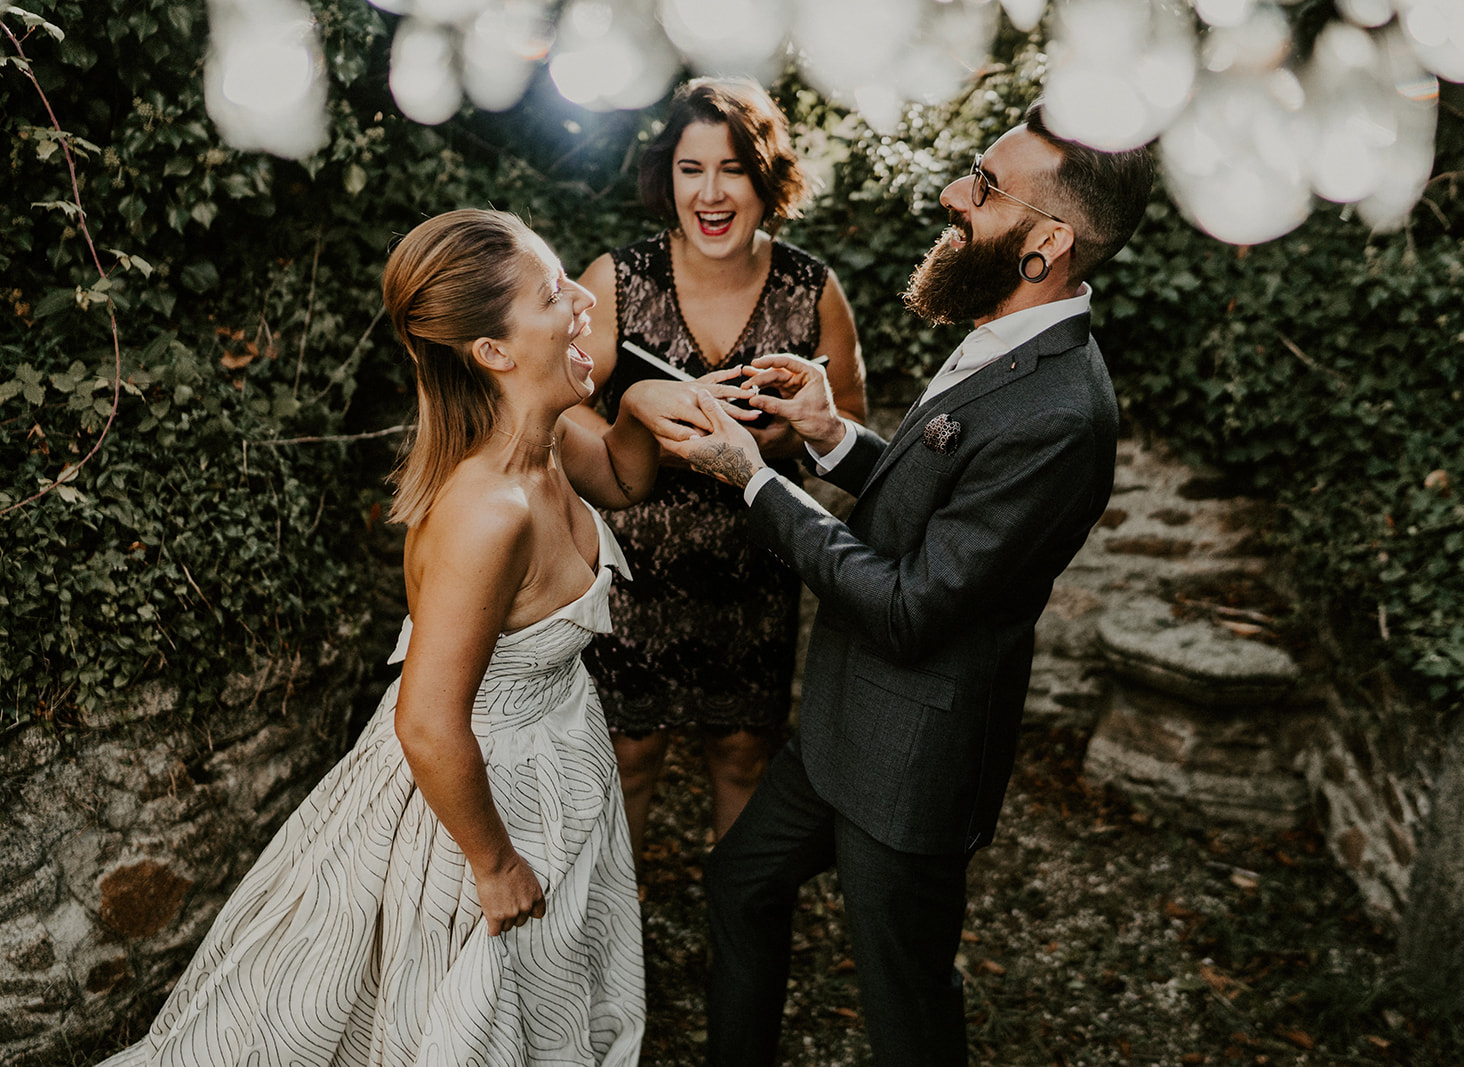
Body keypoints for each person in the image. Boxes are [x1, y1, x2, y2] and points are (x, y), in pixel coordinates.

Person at [99, 209, 702, 1066]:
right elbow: (426, 722)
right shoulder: (486, 514)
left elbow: (627, 477)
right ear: (493, 352)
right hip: (476, 806)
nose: (580, 299)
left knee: (545, 1012)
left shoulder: (554, 436)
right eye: (551, 292)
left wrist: (637, 403)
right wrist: (493, 865)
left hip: (560, 761)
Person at [653, 102, 1156, 1064]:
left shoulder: (1062, 413)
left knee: (907, 1011)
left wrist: (751, 478)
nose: (952, 194)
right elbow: (938, 496)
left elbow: (912, 605)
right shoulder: (1006, 331)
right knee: (739, 886)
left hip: (913, 762)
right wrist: (828, 431)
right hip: (840, 725)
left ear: (1047, 242)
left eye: (985, 186)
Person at [569, 77, 867, 867]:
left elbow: (848, 433)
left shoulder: (812, 289)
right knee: (629, 757)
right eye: (690, 168)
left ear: (767, 178)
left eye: (732, 168)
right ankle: (612, 940)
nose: (710, 192)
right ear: (666, 176)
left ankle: (737, 937)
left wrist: (782, 440)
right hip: (635, 570)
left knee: (742, 754)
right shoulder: (617, 280)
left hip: (755, 565)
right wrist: (629, 423)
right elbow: (556, 406)